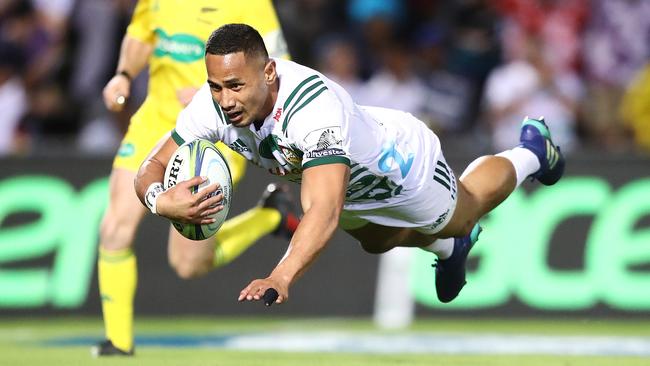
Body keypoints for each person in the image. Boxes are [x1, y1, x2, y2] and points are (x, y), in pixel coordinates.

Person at [134, 24, 565, 309]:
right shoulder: (211, 108)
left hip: (398, 166)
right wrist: (158, 200)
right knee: (376, 242)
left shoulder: (311, 108)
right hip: (348, 182)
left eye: (235, 86)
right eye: (215, 87)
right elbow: (150, 166)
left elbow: (323, 209)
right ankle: (449, 250)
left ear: (268, 72)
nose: (225, 100)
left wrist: (281, 276)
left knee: (461, 212)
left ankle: (531, 152)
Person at [95, 3, 295, 357]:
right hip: (155, 125)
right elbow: (141, 34)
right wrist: (124, 74)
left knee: (188, 264)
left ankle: (271, 216)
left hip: (215, 136)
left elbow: (278, 68)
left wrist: (215, 99)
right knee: (114, 227)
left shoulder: (251, 6)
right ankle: (118, 343)